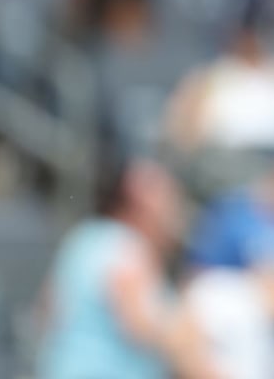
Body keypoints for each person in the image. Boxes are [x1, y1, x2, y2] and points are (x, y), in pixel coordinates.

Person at [36, 158, 210, 379]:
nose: (174, 208)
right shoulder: (127, 246)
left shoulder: (85, 236)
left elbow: (46, 309)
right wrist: (185, 333)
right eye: (168, 197)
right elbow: (138, 324)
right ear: (140, 200)